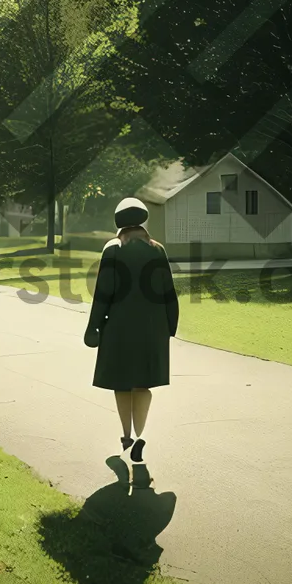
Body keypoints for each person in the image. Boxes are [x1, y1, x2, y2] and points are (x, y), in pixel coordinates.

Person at [84, 197, 179, 463]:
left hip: (119, 327)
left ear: (118, 224)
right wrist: (171, 324)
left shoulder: (112, 249)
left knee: (122, 385)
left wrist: (94, 327)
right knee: (143, 385)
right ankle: (139, 436)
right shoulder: (157, 250)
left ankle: (126, 435)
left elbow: (103, 294)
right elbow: (168, 292)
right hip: (153, 328)